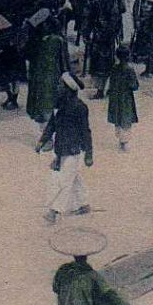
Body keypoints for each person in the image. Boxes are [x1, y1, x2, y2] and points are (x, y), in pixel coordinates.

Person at [37, 73, 93, 224]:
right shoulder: (60, 105)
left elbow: (85, 131)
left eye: (61, 85)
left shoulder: (80, 108)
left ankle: (53, 212)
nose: (58, 87)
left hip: (73, 150)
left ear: (68, 89)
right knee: (74, 177)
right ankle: (84, 204)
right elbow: (52, 125)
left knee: (64, 181)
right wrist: (42, 141)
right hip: (62, 149)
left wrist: (89, 153)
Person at [50, 230, 137, 305]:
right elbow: (110, 299)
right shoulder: (93, 277)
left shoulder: (62, 271)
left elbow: (55, 288)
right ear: (87, 256)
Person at [27, 15, 70, 124]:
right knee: (49, 104)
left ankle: (45, 131)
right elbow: (64, 61)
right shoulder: (59, 40)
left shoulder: (39, 41)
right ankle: (48, 131)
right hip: (53, 76)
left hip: (40, 76)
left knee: (42, 104)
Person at [105, 46, 140, 151]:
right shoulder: (129, 70)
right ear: (128, 56)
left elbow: (111, 82)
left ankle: (121, 140)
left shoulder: (114, 68)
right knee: (125, 118)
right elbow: (135, 86)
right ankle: (124, 142)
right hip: (126, 98)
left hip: (115, 97)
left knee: (118, 117)